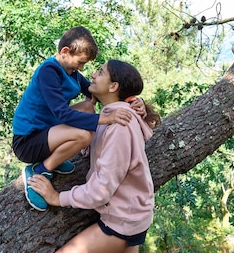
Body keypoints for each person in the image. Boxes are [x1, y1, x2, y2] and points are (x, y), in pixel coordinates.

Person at [29, 59, 161, 253]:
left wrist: (58, 197)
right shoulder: (114, 115)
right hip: (133, 215)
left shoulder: (119, 126)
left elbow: (101, 189)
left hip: (123, 221)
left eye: (100, 73)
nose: (92, 75)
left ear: (113, 86)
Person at [12, 26, 145, 211]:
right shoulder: (49, 71)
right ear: (65, 51)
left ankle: (56, 157)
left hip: (47, 132)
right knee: (84, 136)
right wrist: (105, 119)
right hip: (28, 141)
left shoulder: (71, 73)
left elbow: (96, 91)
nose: (82, 68)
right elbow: (62, 113)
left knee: (87, 105)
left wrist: (133, 101)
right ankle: (39, 170)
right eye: (81, 62)